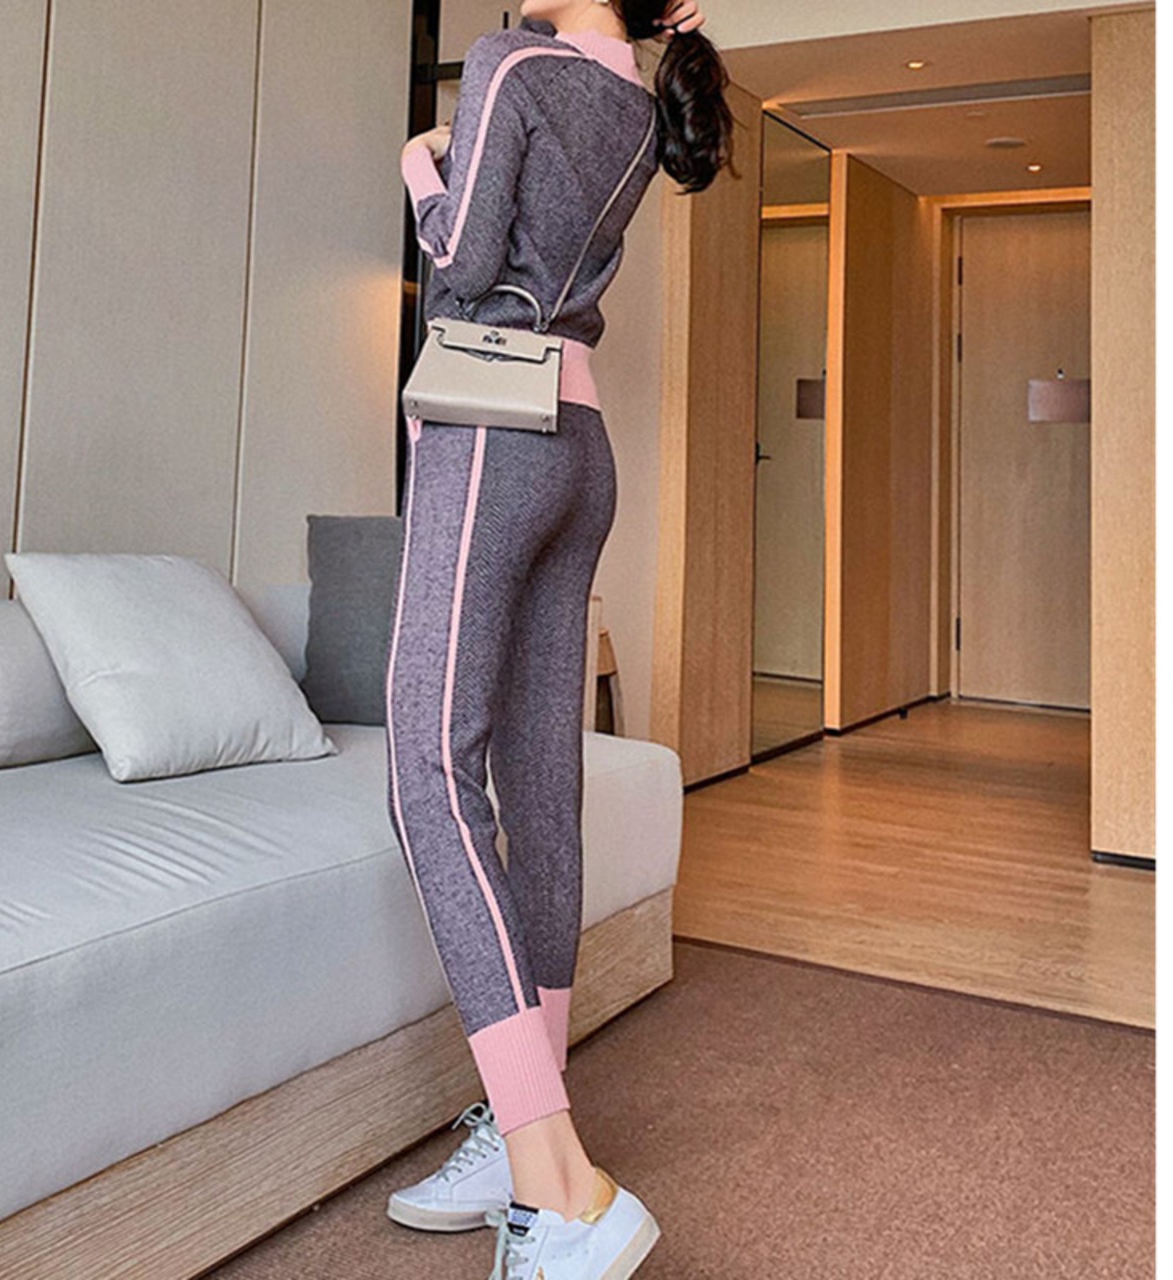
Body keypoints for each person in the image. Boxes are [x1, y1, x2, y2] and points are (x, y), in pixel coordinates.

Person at [384, 1, 731, 1275]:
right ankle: (518, 1126)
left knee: (426, 767)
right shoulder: (637, 105)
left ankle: (557, 1179)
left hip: (489, 426)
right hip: (579, 450)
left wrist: (418, 163)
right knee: (541, 783)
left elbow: (462, 265)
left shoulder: (509, 64)